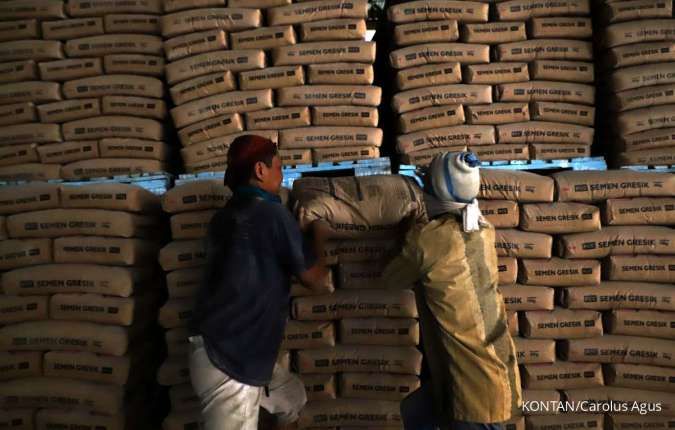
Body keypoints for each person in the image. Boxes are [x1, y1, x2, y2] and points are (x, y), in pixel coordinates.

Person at [188, 135, 331, 430]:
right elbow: (317, 281)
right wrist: (321, 231)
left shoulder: (224, 217)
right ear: (260, 170)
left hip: (230, 348)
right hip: (229, 359)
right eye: (279, 167)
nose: (283, 175)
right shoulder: (271, 213)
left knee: (290, 397)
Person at [381, 152, 522, 430]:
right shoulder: (484, 229)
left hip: (476, 391)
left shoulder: (429, 238)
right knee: (415, 411)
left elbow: (391, 278)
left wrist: (406, 232)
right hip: (495, 368)